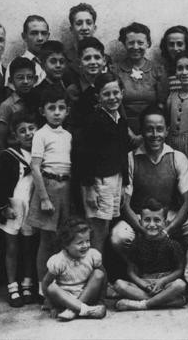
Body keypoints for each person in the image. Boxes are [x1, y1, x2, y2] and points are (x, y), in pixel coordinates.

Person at [110, 104, 188, 252]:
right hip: (139, 218)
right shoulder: (130, 159)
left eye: (159, 129)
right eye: (149, 129)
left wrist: (168, 230)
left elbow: (187, 201)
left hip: (168, 216)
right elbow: (124, 205)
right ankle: (135, 270)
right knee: (118, 237)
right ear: (142, 131)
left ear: (167, 131)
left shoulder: (177, 158)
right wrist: (142, 229)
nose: (155, 134)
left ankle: (182, 267)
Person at [25, 89, 72, 303]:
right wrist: (44, 197)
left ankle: (61, 285)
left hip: (66, 186)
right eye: (51, 108)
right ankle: (43, 288)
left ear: (67, 111)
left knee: (62, 239)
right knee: (46, 240)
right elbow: (35, 167)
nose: (56, 112)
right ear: (42, 111)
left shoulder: (68, 135)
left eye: (61, 108)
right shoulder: (40, 135)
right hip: (48, 186)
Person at [77, 73, 130, 253]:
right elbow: (83, 157)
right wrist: (89, 188)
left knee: (106, 228)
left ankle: (100, 272)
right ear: (98, 97)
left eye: (116, 92)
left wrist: (125, 184)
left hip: (116, 180)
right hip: (98, 183)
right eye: (106, 94)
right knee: (97, 230)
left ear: (122, 93)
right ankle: (95, 274)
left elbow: (123, 153)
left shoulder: (120, 120)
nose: (112, 97)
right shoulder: (93, 121)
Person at [0, 112, 38, 307]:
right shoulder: (9, 155)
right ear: (15, 135)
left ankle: (27, 283)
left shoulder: (41, 153)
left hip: (32, 206)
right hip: (13, 206)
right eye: (22, 131)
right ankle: (12, 286)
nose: (28, 134)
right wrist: (3, 207)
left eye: (31, 129)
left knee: (29, 246)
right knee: (12, 247)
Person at [113, 199, 187, 311]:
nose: (152, 224)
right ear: (140, 221)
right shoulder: (137, 243)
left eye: (157, 220)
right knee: (119, 285)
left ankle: (143, 304)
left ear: (165, 222)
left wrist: (163, 281)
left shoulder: (172, 244)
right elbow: (131, 271)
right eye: (147, 220)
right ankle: (167, 301)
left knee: (180, 285)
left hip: (165, 283)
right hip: (145, 284)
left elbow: (179, 270)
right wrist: (143, 284)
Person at [42, 218, 107, 321]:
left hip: (87, 295)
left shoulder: (92, 255)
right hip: (65, 299)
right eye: (80, 243)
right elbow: (46, 284)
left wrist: (101, 300)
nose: (85, 245)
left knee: (99, 273)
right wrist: (52, 306)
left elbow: (103, 278)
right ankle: (85, 310)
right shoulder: (59, 260)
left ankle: (74, 310)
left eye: (88, 241)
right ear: (66, 244)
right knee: (52, 287)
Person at [114, 22, 165, 135]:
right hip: (122, 128)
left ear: (148, 44)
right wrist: (128, 132)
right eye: (131, 43)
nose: (136, 47)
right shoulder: (115, 71)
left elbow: (162, 104)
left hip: (151, 131)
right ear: (124, 44)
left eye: (140, 43)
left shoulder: (157, 71)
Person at [65, 37, 107, 132]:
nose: (93, 62)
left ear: (104, 61)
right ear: (79, 63)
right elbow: (69, 123)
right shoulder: (73, 91)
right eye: (87, 58)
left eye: (97, 57)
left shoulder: (110, 86)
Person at [0, 57, 37, 152]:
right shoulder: (7, 106)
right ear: (11, 81)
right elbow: (0, 139)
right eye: (20, 78)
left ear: (35, 79)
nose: (26, 81)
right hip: (16, 153)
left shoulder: (37, 99)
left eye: (29, 77)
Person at [65, 3, 113, 79]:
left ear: (94, 28)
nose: (84, 28)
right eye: (79, 23)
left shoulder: (106, 59)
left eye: (89, 23)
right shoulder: (65, 59)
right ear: (71, 29)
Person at [28, 40, 69, 125]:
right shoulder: (36, 93)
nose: (58, 65)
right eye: (53, 61)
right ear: (42, 65)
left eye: (61, 61)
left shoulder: (68, 86)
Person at [4, 15, 49, 90]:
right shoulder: (15, 65)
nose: (40, 38)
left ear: (48, 36)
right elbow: (13, 97)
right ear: (24, 36)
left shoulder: (55, 64)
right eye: (34, 33)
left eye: (44, 33)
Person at [159, 25, 188, 98]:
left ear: (187, 45)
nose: (175, 48)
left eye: (179, 44)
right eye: (171, 44)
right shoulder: (163, 71)